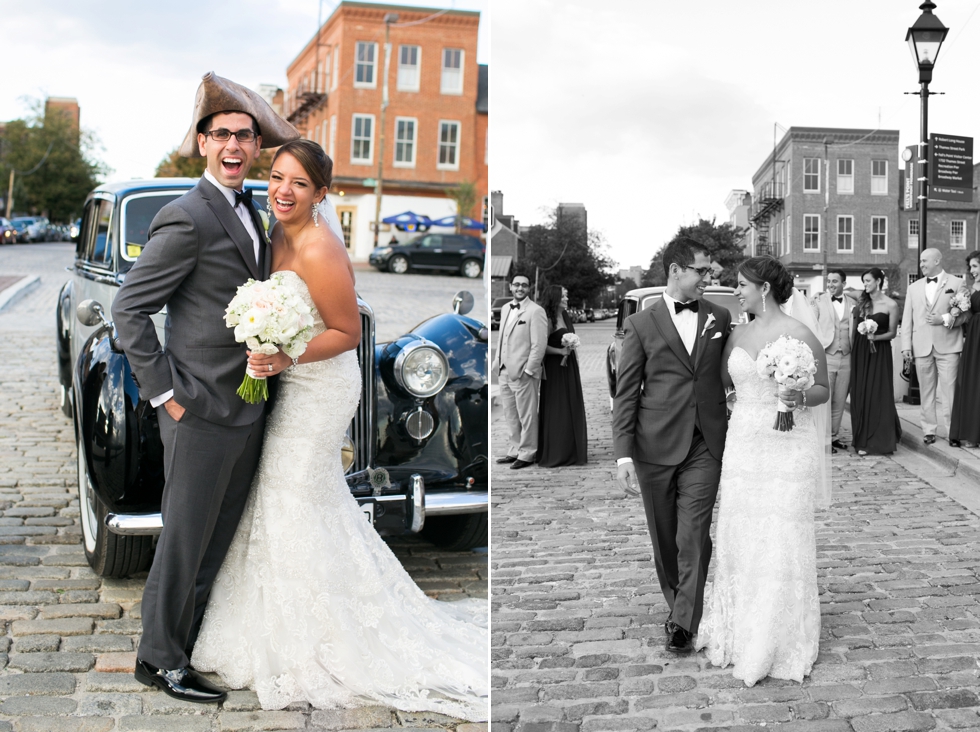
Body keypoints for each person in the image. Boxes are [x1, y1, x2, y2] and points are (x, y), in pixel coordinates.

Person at [190, 139, 488, 719]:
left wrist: (282, 357)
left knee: (294, 495)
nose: (284, 190)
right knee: (278, 498)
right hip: (285, 380)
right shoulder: (271, 232)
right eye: (277, 177)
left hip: (319, 386)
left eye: (300, 183)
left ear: (320, 194)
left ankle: (316, 642)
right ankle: (267, 624)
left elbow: (348, 331)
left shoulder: (322, 246)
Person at [112, 72, 301, 703]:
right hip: (196, 409)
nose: (234, 146)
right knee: (185, 537)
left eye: (245, 136)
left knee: (216, 539)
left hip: (247, 407)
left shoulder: (249, 210)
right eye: (222, 133)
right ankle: (158, 658)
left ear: (255, 147)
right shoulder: (187, 215)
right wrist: (166, 395)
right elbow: (129, 310)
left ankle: (185, 644)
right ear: (201, 143)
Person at [696, 255, 831, 686]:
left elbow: (822, 390)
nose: (737, 291)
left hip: (788, 449)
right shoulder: (736, 333)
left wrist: (796, 396)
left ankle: (779, 632)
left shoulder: (799, 334)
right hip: (745, 444)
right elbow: (725, 385)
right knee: (742, 532)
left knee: (782, 533)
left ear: (764, 288)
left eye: (742, 284)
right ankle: (739, 625)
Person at [612, 238, 733, 654]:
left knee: (694, 534)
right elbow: (626, 393)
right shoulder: (641, 324)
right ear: (677, 270)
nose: (708, 278)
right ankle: (678, 600)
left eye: (710, 271)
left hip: (706, 441)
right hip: (654, 445)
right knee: (665, 538)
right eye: (702, 270)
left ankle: (684, 620)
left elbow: (730, 372)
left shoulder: (719, 316)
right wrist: (623, 454)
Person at [901, 248, 969, 445]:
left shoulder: (957, 283)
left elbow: (966, 314)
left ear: (937, 260)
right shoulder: (913, 287)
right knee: (926, 391)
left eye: (924, 261)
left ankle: (952, 432)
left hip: (948, 346)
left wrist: (945, 318)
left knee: (950, 393)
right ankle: (929, 430)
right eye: (921, 261)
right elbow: (907, 320)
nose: (921, 264)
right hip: (921, 347)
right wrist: (906, 346)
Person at [493, 274, 548, 469]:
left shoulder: (536, 311)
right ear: (510, 287)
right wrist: (497, 362)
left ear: (529, 288)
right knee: (510, 414)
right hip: (504, 371)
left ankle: (528, 452)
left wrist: (529, 370)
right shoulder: (506, 308)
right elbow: (502, 338)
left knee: (527, 414)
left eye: (524, 285)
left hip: (524, 372)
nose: (520, 288)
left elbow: (539, 345)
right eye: (516, 284)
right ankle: (515, 449)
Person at [849, 268, 902, 456]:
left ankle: (880, 441)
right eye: (863, 281)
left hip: (880, 352)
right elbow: (846, 291)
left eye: (868, 281)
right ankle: (862, 440)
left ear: (878, 281)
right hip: (861, 351)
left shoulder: (891, 305)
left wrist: (875, 338)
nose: (865, 285)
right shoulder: (862, 300)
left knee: (879, 391)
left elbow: (892, 333)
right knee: (861, 391)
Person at [537, 285, 587, 466]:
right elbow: (540, 346)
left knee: (570, 404)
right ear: (555, 298)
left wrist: (572, 351)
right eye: (564, 296)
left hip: (568, 365)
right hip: (555, 368)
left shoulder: (564, 315)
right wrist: (560, 351)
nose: (567, 298)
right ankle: (556, 451)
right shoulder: (547, 319)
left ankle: (570, 450)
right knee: (557, 407)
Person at [811, 269, 857, 452]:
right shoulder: (817, 301)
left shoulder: (852, 302)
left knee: (840, 400)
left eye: (835, 281)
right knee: (825, 401)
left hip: (847, 356)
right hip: (826, 356)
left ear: (843, 284)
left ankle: (833, 436)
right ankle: (821, 439)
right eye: (828, 281)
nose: (830, 284)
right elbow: (811, 326)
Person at [949, 251, 980, 447]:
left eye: (975, 266)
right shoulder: (971, 288)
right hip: (975, 338)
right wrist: (958, 308)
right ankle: (972, 433)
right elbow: (967, 316)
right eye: (971, 267)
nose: (972, 271)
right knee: (972, 382)